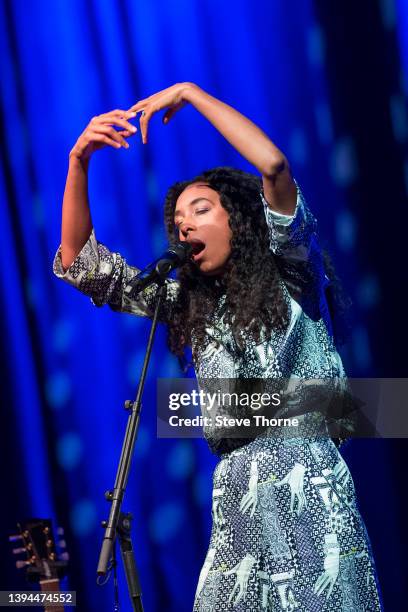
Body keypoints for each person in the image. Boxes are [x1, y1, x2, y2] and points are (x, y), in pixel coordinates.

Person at [53, 83, 383, 610]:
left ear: (240, 218)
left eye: (201, 210)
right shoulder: (186, 300)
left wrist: (191, 94)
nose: (184, 224)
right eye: (179, 220)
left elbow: (273, 166)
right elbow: (83, 268)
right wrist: (78, 162)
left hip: (310, 493)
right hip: (239, 504)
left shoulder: (291, 272)